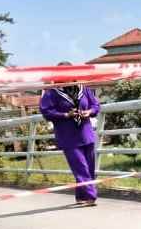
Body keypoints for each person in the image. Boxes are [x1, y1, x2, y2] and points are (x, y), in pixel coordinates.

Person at [39, 62, 101, 207]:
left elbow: (95, 105)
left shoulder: (83, 88)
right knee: (81, 167)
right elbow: (46, 112)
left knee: (89, 168)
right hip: (68, 137)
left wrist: (89, 112)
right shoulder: (52, 92)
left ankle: (81, 196)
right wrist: (66, 114)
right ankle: (91, 197)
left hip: (86, 133)